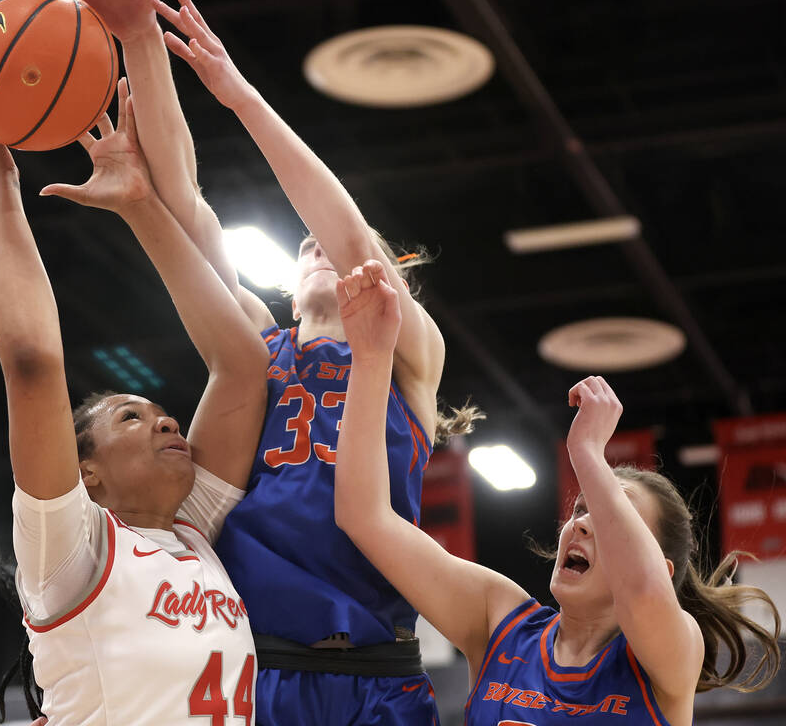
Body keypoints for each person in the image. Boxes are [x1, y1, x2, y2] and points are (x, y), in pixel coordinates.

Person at [42, 0, 475, 723]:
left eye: (341, 246)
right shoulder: (259, 349)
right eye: (304, 244)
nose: (319, 246)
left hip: (374, 668)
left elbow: (342, 231)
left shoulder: (410, 353)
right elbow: (182, 198)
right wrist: (141, 43)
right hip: (255, 667)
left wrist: (241, 96)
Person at [0, 76, 268, 724]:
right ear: (88, 472)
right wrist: (2, 185)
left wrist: (141, 202)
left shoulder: (192, 533)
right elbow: (33, 364)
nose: (165, 418)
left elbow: (243, 367)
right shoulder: (74, 546)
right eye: (130, 418)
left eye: (157, 411)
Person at [332, 259, 782, 726]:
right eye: (580, 507)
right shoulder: (499, 618)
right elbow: (364, 516)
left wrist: (587, 453)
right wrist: (370, 359)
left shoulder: (672, 655)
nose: (582, 522)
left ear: (665, 569)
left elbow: (644, 591)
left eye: (611, 513)